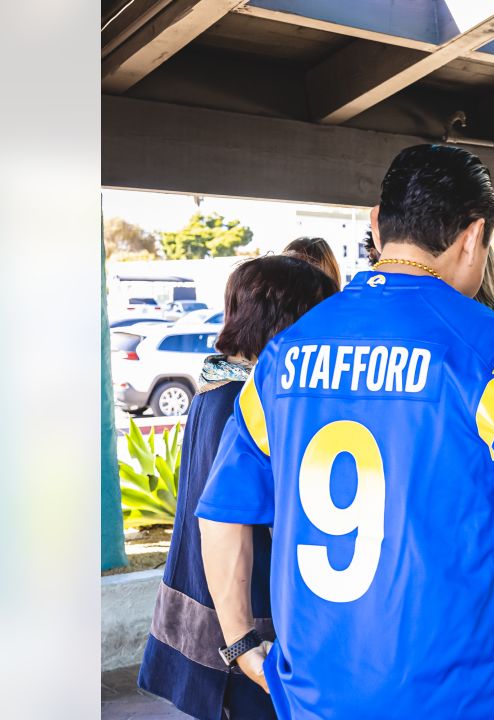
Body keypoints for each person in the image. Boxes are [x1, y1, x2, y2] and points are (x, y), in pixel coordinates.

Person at [197, 144, 494, 720]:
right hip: (466, 698)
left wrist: (240, 644)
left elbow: (222, 513)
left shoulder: (282, 356)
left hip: (314, 696)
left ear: (378, 225)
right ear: (474, 236)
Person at [137, 255, 339, 719]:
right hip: (238, 626)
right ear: (285, 322)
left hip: (203, 611)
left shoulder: (217, 383)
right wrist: (244, 641)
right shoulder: (242, 402)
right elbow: (229, 519)